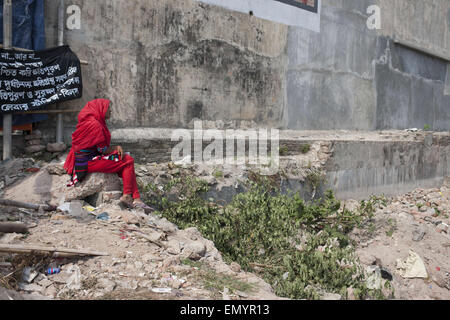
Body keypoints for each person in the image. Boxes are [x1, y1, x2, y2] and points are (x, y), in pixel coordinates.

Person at [63, 98, 153, 212]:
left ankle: (136, 198)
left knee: (126, 163)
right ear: (100, 109)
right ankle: (129, 196)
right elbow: (102, 149)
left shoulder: (93, 122)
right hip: (88, 162)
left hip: (89, 159)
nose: (110, 111)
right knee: (128, 161)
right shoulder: (95, 125)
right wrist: (116, 148)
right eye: (108, 108)